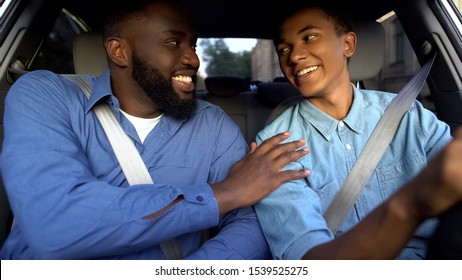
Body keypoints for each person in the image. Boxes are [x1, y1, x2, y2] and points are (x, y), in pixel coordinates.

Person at [0, 0, 310, 259]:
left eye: (193, 45)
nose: (193, 58)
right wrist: (224, 193)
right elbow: (55, 220)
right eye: (173, 43)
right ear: (119, 51)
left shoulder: (213, 124)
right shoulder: (44, 95)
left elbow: (250, 222)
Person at [253, 3, 462, 259]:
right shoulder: (275, 146)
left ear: (348, 45)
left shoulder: (410, 116)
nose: (294, 56)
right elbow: (308, 261)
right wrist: (409, 205)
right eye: (283, 49)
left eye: (309, 37)